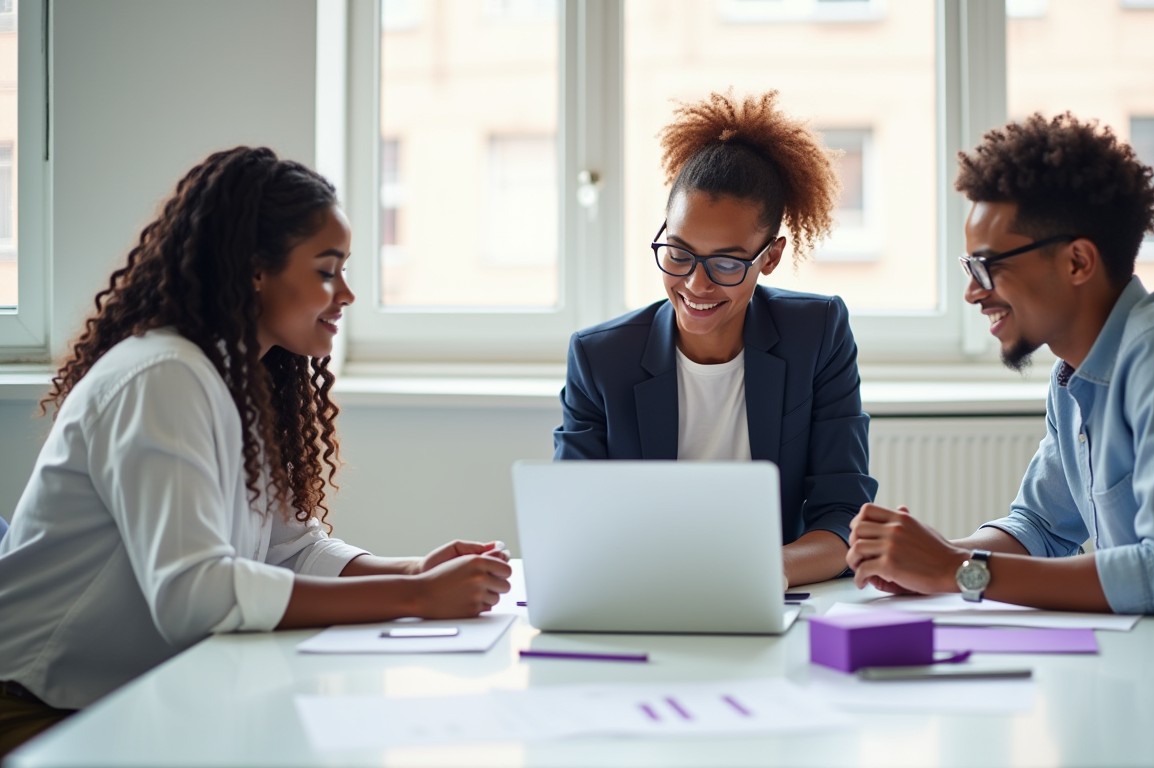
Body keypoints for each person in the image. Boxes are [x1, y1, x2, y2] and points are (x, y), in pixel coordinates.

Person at [0, 147, 512, 757]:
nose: (345, 293)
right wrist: (416, 600)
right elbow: (194, 595)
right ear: (253, 271)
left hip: (129, 695)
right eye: (327, 270)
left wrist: (412, 570)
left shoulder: (238, 380)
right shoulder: (162, 376)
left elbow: (290, 548)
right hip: (37, 706)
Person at [846, 113, 1154, 686]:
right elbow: (1039, 526)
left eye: (988, 266)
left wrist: (959, 570)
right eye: (969, 267)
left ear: (1078, 261)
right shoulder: (1074, 375)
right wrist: (927, 560)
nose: (972, 292)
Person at [554, 90, 877, 587]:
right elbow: (571, 518)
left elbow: (844, 516)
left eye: (727, 263)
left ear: (769, 257)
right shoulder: (601, 358)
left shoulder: (816, 334)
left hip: (767, 590)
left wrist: (749, 573)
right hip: (639, 590)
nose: (695, 285)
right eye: (679, 253)